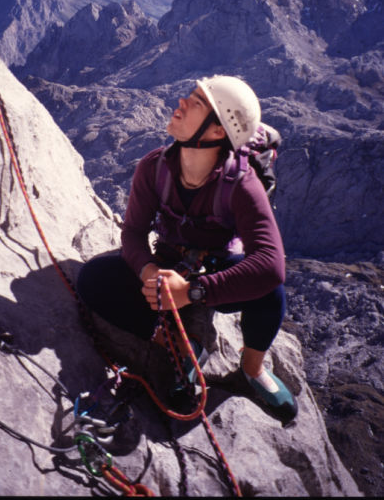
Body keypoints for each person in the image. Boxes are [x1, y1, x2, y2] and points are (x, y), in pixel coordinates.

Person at [77, 75, 297, 420]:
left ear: (217, 131)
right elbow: (133, 233)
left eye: (195, 102)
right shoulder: (155, 167)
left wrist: (193, 292)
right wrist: (149, 272)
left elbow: (270, 266)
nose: (180, 103)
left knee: (271, 293)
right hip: (167, 260)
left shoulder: (242, 184)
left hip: (218, 265)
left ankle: (251, 370)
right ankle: (176, 339)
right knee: (93, 280)